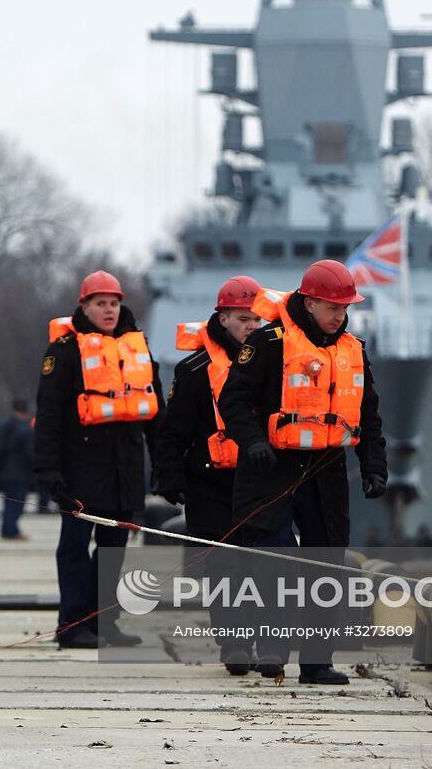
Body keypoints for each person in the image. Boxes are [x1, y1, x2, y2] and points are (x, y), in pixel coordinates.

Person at [217, 260, 387, 685]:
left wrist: (374, 467)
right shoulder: (267, 343)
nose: (340, 316)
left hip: (325, 470)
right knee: (276, 561)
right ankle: (272, 650)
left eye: (345, 308)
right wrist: (253, 442)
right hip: (271, 468)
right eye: (332, 307)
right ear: (309, 302)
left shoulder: (353, 351)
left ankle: (316, 662)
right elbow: (233, 400)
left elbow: (369, 417)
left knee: (326, 564)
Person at [34, 270, 164, 649]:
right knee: (74, 546)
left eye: (114, 303)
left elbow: (156, 415)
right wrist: (47, 470)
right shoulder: (64, 351)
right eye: (100, 303)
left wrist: (163, 464)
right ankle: (72, 625)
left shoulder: (137, 350)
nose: (108, 310)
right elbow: (50, 416)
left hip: (124, 468)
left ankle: (104, 621)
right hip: (79, 469)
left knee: (114, 549)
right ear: (85, 306)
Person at [152, 275, 263, 675]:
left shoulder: (274, 363)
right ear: (223, 317)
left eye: (256, 320)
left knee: (261, 565)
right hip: (209, 482)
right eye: (242, 319)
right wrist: (170, 477)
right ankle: (234, 644)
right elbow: (173, 431)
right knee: (222, 567)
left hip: (259, 480)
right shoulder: (195, 370)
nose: (251, 326)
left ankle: (262, 640)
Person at [0, 398, 35, 541]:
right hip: (20, 473)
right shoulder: (26, 430)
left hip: (5, 471)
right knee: (17, 503)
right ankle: (10, 530)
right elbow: (30, 454)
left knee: (9, 502)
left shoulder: (4, 426)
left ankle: (8, 528)